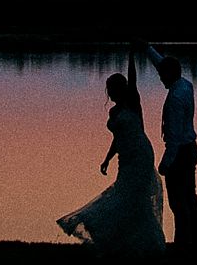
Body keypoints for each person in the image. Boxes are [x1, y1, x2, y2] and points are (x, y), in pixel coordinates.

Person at [56, 73, 164, 253]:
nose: (110, 92)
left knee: (134, 195)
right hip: (126, 157)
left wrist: (132, 50)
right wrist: (107, 159)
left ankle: (143, 243)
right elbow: (118, 138)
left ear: (121, 89)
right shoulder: (113, 112)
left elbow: (133, 80)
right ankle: (126, 242)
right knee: (126, 194)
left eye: (112, 89)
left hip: (140, 154)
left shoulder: (133, 104)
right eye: (108, 89)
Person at [144, 42, 197, 251]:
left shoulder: (176, 98)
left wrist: (165, 163)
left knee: (179, 202)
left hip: (181, 153)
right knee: (190, 197)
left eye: (162, 75)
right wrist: (147, 48)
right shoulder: (185, 84)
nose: (160, 78)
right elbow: (163, 65)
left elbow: (174, 138)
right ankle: (195, 241)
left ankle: (184, 244)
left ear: (169, 74)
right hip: (190, 148)